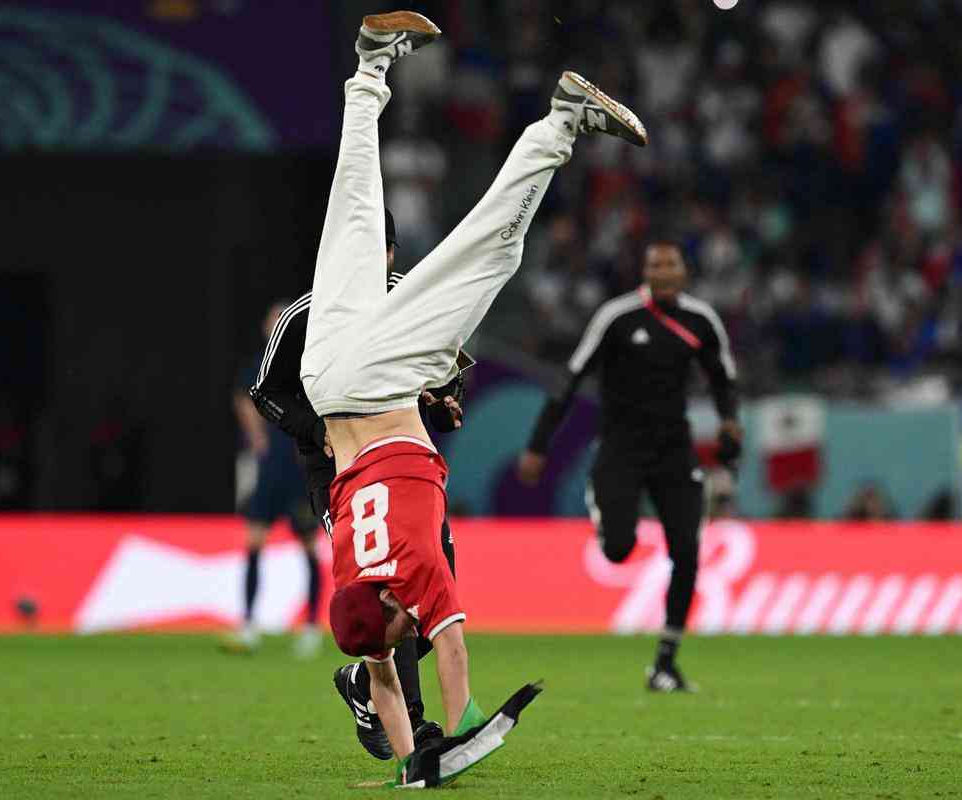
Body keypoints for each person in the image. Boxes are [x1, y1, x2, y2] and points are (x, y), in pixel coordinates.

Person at [301, 11, 646, 786]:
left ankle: (562, 119)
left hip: (379, 384)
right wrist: (406, 757)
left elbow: (446, 651)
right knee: (354, 210)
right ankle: (369, 69)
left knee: (489, 252)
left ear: (386, 608)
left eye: (390, 632)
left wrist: (451, 736)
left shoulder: (414, 570)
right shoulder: (353, 581)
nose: (395, 640)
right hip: (325, 385)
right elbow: (384, 672)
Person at [249, 207, 468, 758]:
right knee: (385, 584)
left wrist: (444, 408)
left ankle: (361, 682)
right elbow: (265, 392)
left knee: (435, 587)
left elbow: (445, 380)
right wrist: (316, 427)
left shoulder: (413, 302)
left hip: (405, 456)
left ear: (391, 253)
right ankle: (415, 731)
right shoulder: (305, 315)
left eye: (376, 251)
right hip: (340, 468)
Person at [517, 241, 741, 693]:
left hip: (674, 450)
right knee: (618, 548)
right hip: (621, 448)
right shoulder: (617, 317)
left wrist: (730, 421)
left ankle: (665, 663)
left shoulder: (700, 320)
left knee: (688, 550)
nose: (661, 271)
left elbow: (722, 377)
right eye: (654, 264)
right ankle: (601, 501)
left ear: (684, 271)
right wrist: (539, 444)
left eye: (670, 264)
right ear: (644, 271)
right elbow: (570, 378)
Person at [226, 304, 322, 656]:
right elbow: (241, 397)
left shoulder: (306, 364)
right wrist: (257, 437)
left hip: (298, 471)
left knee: (310, 546)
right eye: (272, 320)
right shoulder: (260, 365)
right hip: (269, 469)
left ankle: (312, 627)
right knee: (254, 541)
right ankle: (248, 624)